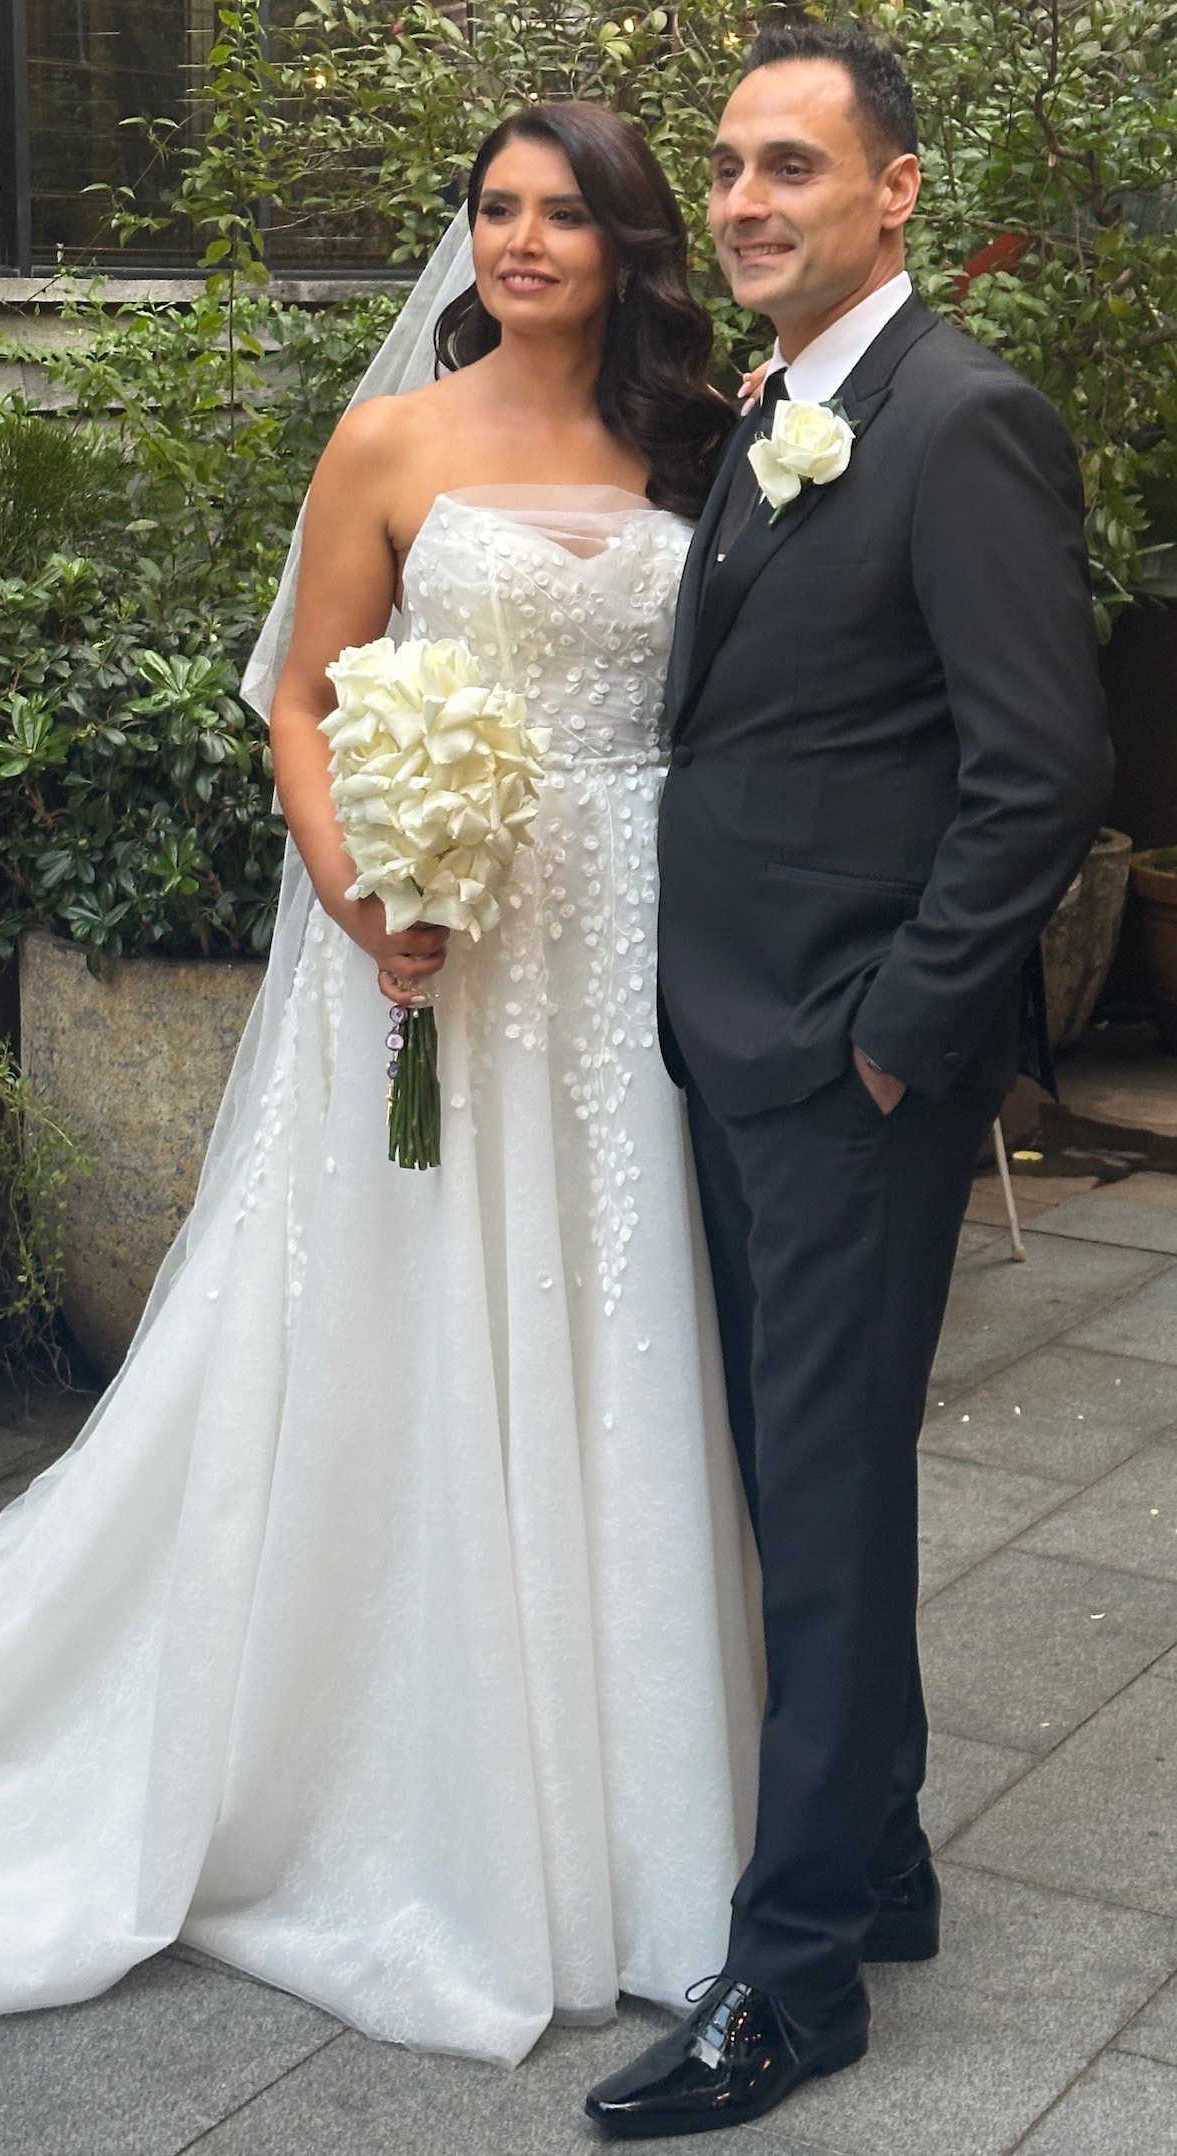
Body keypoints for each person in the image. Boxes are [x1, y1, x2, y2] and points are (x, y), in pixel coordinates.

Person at [0, 104, 762, 2068]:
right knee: (418, 1308)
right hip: (427, 949)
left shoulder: (700, 444)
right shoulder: (393, 440)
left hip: (629, 943)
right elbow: (304, 704)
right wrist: (360, 890)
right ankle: (410, 1775)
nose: (518, 239)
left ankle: (641, 1806)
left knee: (619, 1314)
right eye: (491, 207)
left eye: (563, 213)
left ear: (628, 243)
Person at [586, 17, 1112, 2139]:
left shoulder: (963, 419)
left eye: (790, 165)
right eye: (726, 165)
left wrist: (897, 1036)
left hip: (839, 1062)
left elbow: (1040, 766)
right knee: (805, 1485)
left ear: (895, 192)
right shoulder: (776, 407)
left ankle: (793, 1977)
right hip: (733, 1036)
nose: (742, 200)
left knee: (815, 1508)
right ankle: (879, 1864)